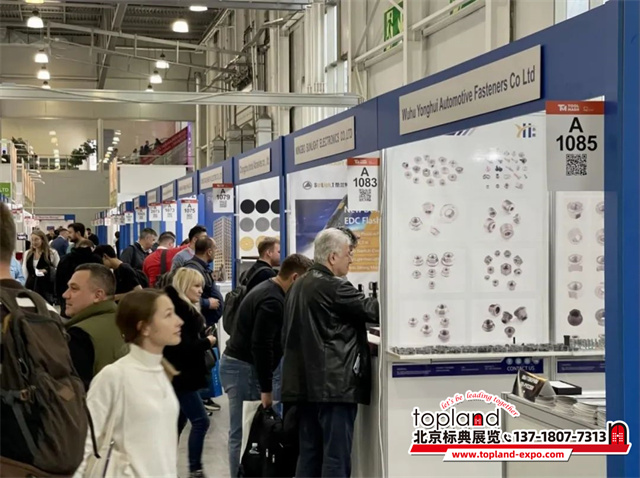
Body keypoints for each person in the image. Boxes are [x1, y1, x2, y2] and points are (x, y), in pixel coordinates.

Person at [281, 228, 379, 478]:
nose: (351, 259)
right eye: (349, 253)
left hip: (305, 386)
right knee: (336, 457)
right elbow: (375, 311)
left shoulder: (298, 285)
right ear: (333, 257)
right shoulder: (334, 287)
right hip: (334, 387)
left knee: (309, 455)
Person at [220, 254, 313, 478]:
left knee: (247, 430)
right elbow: (261, 346)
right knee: (245, 432)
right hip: (244, 370)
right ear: (294, 277)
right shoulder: (272, 301)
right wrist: (266, 389)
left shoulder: (268, 289)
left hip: (241, 367)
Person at [75, 290, 183, 477]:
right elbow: (86, 442)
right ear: (144, 327)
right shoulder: (115, 376)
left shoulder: (161, 373)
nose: (179, 321)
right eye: (168, 315)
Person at [163, 269, 217, 478]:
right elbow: (183, 347)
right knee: (201, 421)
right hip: (182, 376)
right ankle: (195, 469)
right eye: (196, 285)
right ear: (184, 286)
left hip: (179, 374)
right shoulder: (182, 312)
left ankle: (167, 466)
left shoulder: (179, 308)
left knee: (178, 422)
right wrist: (207, 342)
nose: (200, 290)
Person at [63, 264, 125, 390]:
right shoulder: (127, 323)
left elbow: (75, 391)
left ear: (98, 295)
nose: (65, 294)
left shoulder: (79, 335)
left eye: (74, 289)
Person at [56, 239, 102, 316]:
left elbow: (58, 281)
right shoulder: (96, 259)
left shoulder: (65, 259)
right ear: (92, 248)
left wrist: (60, 299)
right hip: (90, 302)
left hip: (67, 299)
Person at [184, 236, 223, 327]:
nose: (216, 252)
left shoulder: (202, 268)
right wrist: (207, 303)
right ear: (209, 252)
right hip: (197, 324)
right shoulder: (192, 269)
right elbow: (184, 296)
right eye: (215, 249)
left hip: (206, 324)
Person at [23, 229, 60, 304]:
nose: (34, 242)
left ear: (42, 240)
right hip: (31, 286)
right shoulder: (27, 253)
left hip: (46, 288)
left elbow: (58, 268)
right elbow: (25, 271)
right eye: (32, 240)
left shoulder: (52, 253)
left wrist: (47, 270)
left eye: (36, 239)